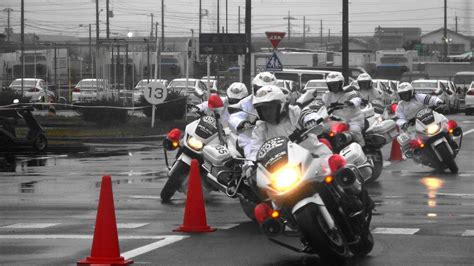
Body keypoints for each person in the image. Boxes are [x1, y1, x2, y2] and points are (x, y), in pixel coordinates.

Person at [229, 72, 278, 156]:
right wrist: (243, 123)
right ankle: (249, 167)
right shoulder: (247, 102)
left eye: (267, 90)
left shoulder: (280, 102)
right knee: (253, 161)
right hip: (250, 139)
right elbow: (235, 117)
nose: (263, 92)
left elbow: (292, 113)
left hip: (275, 140)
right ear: (254, 88)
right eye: (260, 89)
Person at [321, 72, 365, 146]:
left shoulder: (349, 91)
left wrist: (351, 102)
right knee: (321, 130)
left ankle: (362, 148)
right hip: (336, 121)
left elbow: (357, 98)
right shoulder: (327, 95)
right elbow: (321, 105)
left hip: (353, 120)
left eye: (335, 84)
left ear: (341, 83)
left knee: (354, 130)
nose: (333, 86)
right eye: (331, 85)